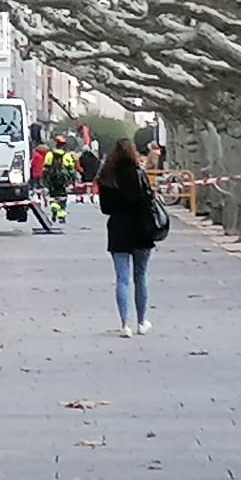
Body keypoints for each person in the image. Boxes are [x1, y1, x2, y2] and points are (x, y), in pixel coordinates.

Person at [98, 139, 159, 338]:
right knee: (140, 277)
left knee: (122, 279)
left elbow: (105, 209)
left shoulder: (107, 177)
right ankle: (141, 322)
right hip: (141, 229)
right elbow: (148, 201)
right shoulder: (139, 174)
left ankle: (125, 324)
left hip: (118, 229)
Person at [42, 134, 76, 224]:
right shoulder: (67, 156)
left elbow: (46, 167)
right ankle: (61, 216)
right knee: (63, 197)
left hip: (52, 178)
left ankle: (54, 206)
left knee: (53, 195)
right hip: (63, 179)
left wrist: (44, 179)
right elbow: (71, 168)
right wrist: (73, 179)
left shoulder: (49, 154)